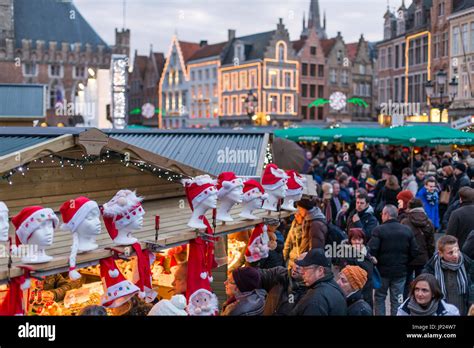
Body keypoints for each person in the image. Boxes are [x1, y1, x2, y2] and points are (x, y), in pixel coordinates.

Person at [368, 205, 419, 316]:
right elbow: (415, 251)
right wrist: (405, 262)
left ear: (386, 214)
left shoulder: (379, 230)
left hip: (382, 272)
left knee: (380, 297)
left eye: (382, 214)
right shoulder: (407, 230)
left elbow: (371, 250)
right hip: (400, 272)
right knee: (398, 299)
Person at [423, 235, 473, 315]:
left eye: (457, 251)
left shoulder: (468, 265)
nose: (456, 255)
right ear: (440, 254)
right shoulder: (430, 270)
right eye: (450, 253)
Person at [290, 249, 347, 315]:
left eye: (305, 268)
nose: (302, 272)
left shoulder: (315, 300)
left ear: (320, 271)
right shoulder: (335, 288)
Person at [400, 198, 435, 299]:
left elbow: (403, 242)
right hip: (423, 258)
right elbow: (431, 244)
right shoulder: (429, 222)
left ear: (410, 207)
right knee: (422, 284)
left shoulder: (405, 222)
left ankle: (406, 304)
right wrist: (430, 256)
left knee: (406, 284)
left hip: (408, 258)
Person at [333, 227, 375, 307]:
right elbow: (344, 273)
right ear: (350, 241)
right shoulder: (346, 254)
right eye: (354, 239)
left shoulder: (366, 251)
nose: (357, 242)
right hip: (355, 290)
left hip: (367, 289)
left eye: (359, 239)